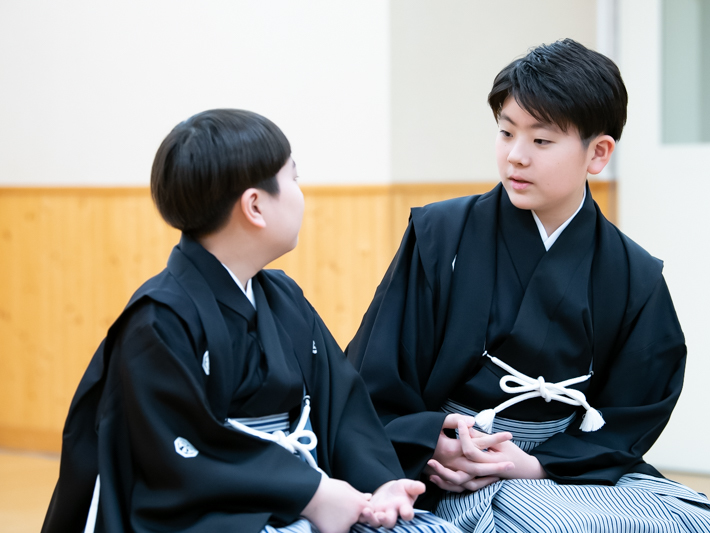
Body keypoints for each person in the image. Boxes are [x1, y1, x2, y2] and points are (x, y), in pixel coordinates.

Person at [347, 39, 710, 532]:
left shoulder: (631, 272)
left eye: (541, 141)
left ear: (598, 153)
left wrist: (537, 466)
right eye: (505, 133)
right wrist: (436, 436)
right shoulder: (442, 236)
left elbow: (633, 408)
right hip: (447, 466)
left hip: (565, 470)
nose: (516, 157)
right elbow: (376, 373)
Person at [42, 109, 461, 533]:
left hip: (309, 497)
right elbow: (180, 459)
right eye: (293, 178)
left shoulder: (283, 299)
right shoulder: (159, 320)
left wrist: (383, 483)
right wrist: (311, 494)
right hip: (224, 518)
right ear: (255, 206)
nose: (300, 193)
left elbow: (343, 410)